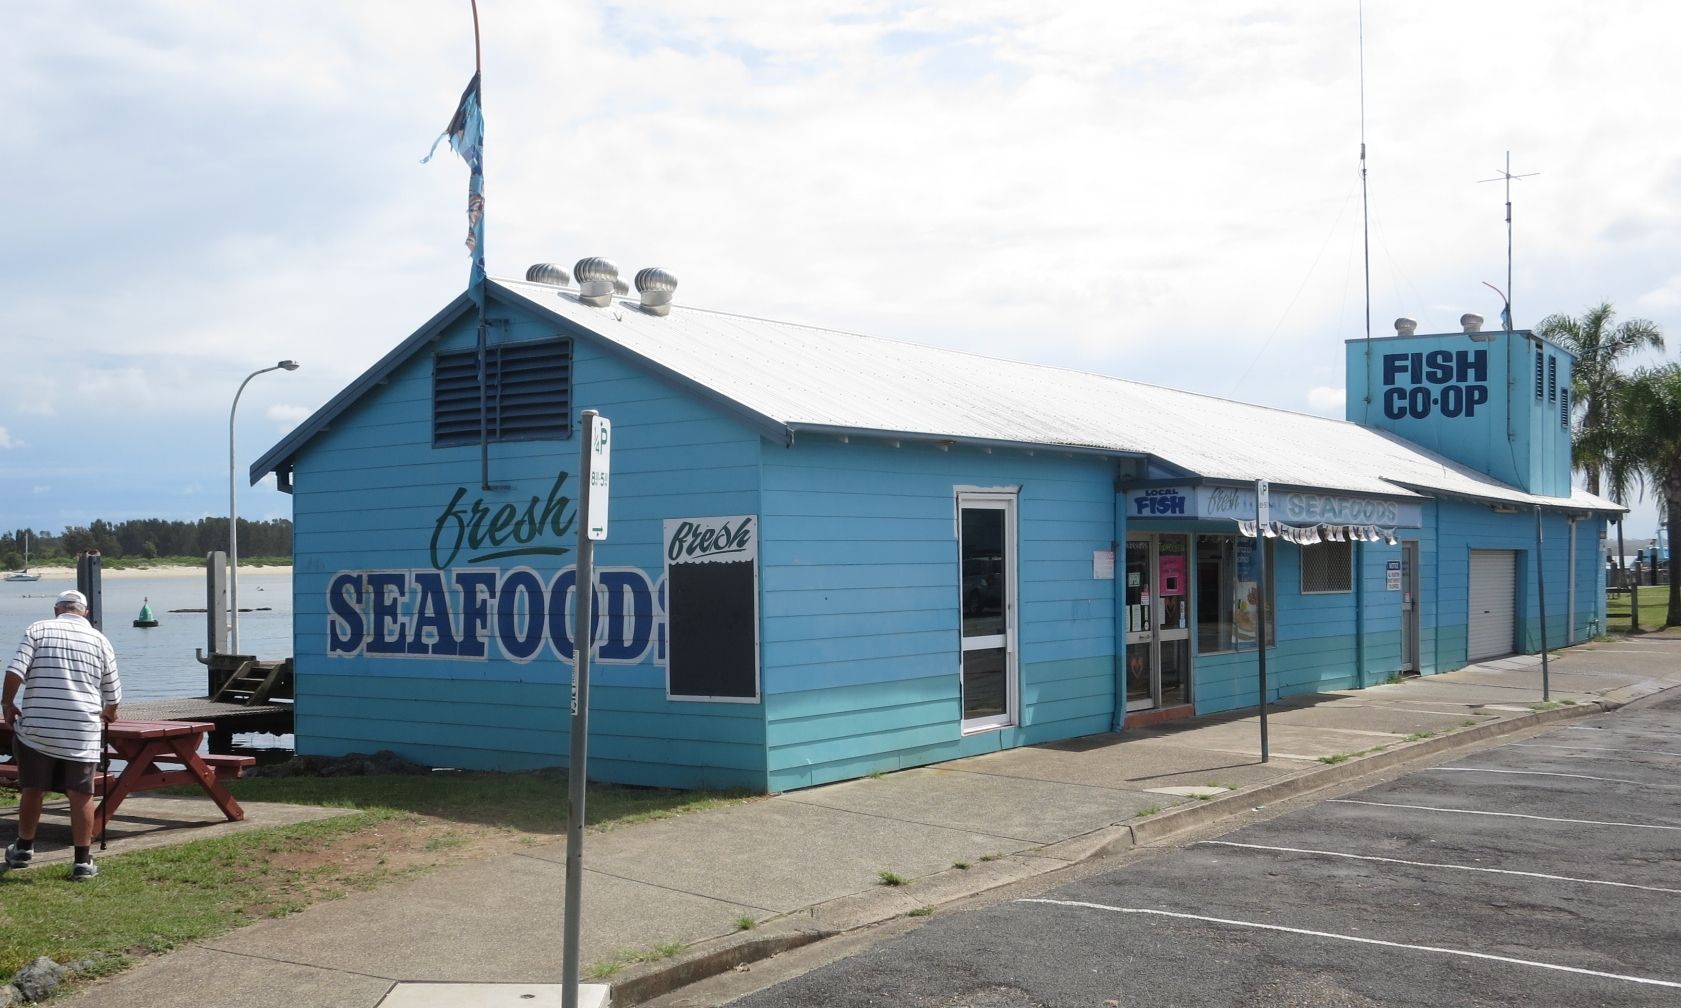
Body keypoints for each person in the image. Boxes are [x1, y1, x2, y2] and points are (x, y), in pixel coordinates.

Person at [3, 589, 121, 881]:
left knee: (33, 788)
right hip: (81, 730)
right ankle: (82, 861)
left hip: (38, 727)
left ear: (57, 609)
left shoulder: (38, 630)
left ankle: (23, 849)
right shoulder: (100, 640)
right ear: (85, 613)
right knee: (81, 794)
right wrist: (110, 712)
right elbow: (113, 693)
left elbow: (15, 670)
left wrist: (7, 703)